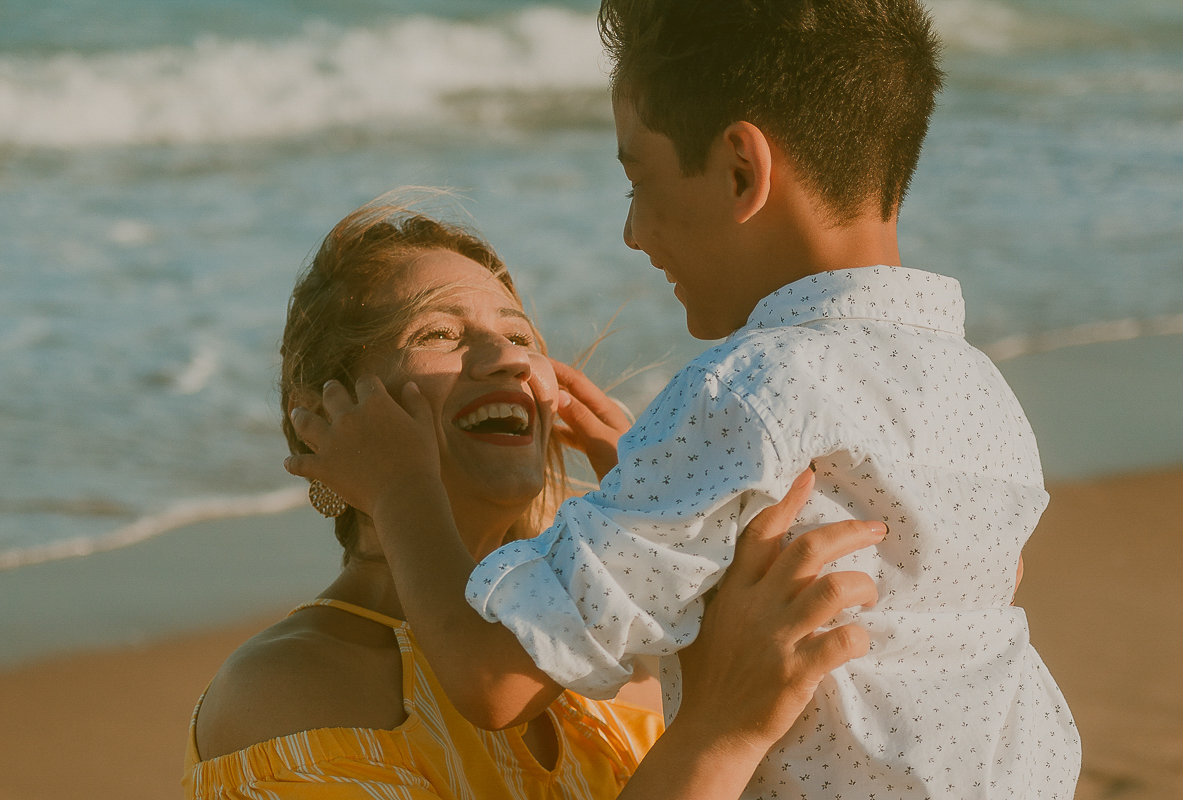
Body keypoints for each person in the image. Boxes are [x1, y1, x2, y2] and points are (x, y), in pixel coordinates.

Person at [287, 1, 1081, 798]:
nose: (633, 232)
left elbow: (494, 679)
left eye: (639, 181)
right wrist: (653, 486)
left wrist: (400, 488)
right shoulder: (980, 392)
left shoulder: (742, 393)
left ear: (741, 170)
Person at [185, 204, 885, 799]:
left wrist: (668, 516)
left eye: (519, 335)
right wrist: (717, 732)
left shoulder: (607, 675)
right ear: (321, 416)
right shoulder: (288, 690)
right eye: (438, 334)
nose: (509, 358)